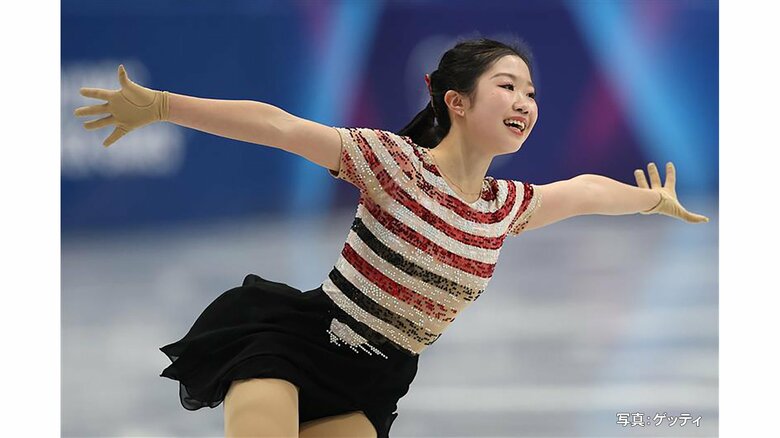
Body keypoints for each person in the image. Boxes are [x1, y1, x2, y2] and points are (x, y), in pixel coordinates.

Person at [74, 37, 708, 438]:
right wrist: (160, 105)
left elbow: (584, 191)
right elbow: (280, 126)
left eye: (532, 92)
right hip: (297, 345)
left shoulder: (502, 207)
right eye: (507, 86)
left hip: (373, 384)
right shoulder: (393, 163)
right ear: (457, 103)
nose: (526, 101)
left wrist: (650, 199)